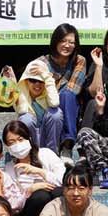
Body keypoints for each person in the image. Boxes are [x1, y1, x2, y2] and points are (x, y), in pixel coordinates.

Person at [0, 120, 65, 216]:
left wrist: (39, 171)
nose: (17, 145)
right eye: (11, 142)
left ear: (29, 138)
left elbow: (63, 179)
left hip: (53, 201)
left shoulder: (46, 154)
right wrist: (30, 189)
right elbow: (13, 200)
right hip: (29, 211)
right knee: (40, 196)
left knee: (58, 192)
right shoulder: (10, 168)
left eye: (20, 139)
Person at [32, 23, 87, 153]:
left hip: (68, 107)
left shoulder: (79, 60)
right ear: (55, 41)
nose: (67, 45)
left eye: (71, 42)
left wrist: (48, 80)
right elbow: (35, 91)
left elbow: (74, 89)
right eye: (63, 41)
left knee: (67, 95)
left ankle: (67, 146)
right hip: (46, 107)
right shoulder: (42, 62)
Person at [7, 61, 66, 155]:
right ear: (26, 81)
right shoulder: (21, 93)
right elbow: (22, 110)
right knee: (25, 118)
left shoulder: (49, 93)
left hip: (48, 140)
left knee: (56, 113)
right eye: (33, 80)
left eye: (41, 81)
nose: (37, 84)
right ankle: (31, 155)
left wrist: (47, 76)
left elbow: (54, 103)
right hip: (30, 143)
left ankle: (53, 154)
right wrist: (13, 84)